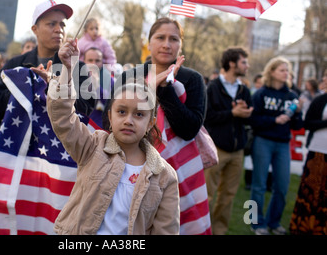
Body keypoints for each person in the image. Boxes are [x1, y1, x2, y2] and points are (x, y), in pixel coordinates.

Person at [46, 38, 180, 235]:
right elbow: (62, 118)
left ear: (151, 123)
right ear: (110, 115)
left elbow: (166, 231)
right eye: (122, 112)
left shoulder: (165, 177)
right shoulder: (92, 146)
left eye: (139, 114)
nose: (129, 120)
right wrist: (67, 69)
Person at [111, 17, 209, 235]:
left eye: (173, 39)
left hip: (178, 171)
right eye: (160, 37)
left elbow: (189, 129)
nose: (166, 44)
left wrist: (164, 89)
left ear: (180, 45)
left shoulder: (192, 79)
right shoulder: (130, 76)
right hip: (131, 167)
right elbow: (111, 124)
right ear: (149, 42)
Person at [0, 0, 95, 134]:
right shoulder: (15, 64)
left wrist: (52, 85)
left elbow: (86, 111)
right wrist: (28, 85)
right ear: (35, 29)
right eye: (51, 24)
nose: (59, 29)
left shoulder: (78, 68)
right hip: (18, 144)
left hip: (58, 150)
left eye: (62, 24)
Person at [249, 56, 303, 235]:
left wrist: (297, 113)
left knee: (282, 186)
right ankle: (255, 223)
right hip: (263, 141)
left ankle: (274, 222)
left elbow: (296, 125)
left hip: (282, 145)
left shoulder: (292, 96)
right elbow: (253, 120)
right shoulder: (260, 94)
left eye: (287, 70)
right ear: (271, 72)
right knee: (259, 185)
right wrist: (274, 120)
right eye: (282, 70)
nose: (286, 73)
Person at [203, 47, 253, 235]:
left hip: (237, 150)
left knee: (228, 196)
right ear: (232, 64)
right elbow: (207, 117)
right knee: (207, 194)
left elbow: (249, 118)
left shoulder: (244, 89)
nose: (247, 66)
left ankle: (219, 231)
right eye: (243, 62)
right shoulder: (213, 87)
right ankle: (201, 230)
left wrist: (245, 112)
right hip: (215, 148)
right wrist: (232, 113)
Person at [289, 92, 327, 235]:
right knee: (311, 193)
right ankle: (303, 227)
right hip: (318, 152)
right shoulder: (321, 100)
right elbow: (308, 123)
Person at [83, 47, 113, 128]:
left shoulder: (110, 80)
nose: (94, 64)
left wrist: (97, 87)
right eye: (90, 60)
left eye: (97, 61)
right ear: (84, 61)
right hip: (80, 124)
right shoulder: (76, 79)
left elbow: (111, 105)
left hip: (100, 126)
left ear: (102, 62)